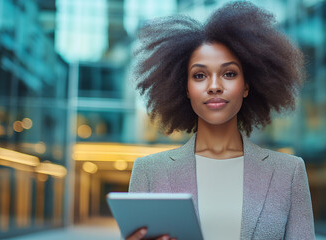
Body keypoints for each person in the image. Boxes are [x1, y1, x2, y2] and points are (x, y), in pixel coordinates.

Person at [127, 1, 315, 240]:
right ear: (184, 88)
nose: (214, 86)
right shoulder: (149, 172)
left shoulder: (289, 173)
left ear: (246, 85)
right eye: (199, 75)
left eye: (229, 74)